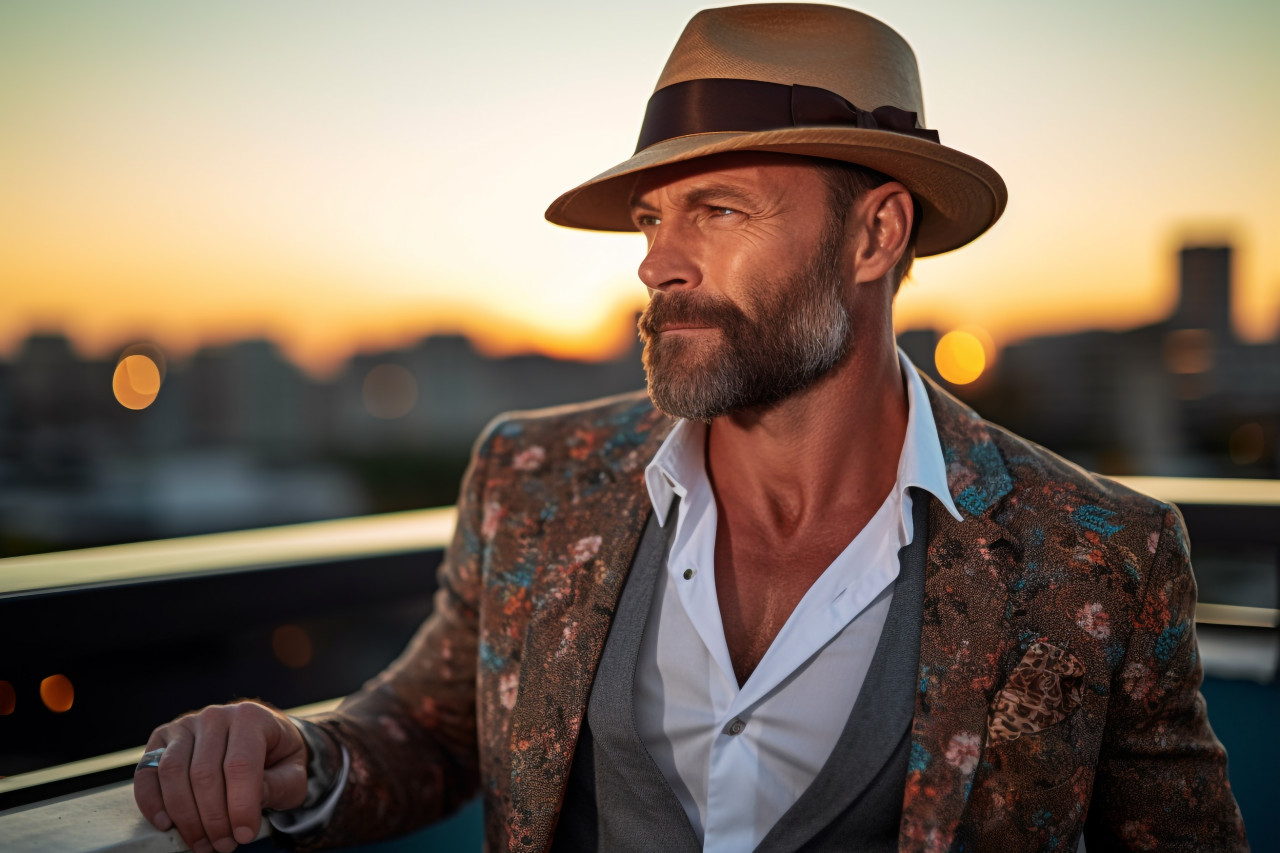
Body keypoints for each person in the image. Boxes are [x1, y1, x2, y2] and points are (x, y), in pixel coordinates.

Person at [134, 5, 1249, 852]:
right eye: (653, 217)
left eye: (717, 212)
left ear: (874, 237)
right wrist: (298, 757)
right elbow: (431, 733)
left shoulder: (1096, 554)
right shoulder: (533, 477)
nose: (656, 263)